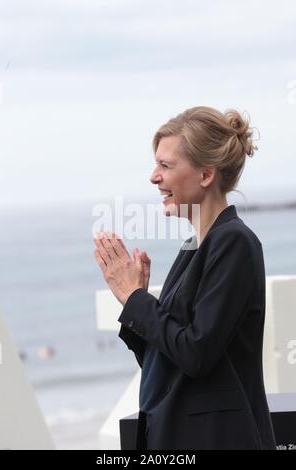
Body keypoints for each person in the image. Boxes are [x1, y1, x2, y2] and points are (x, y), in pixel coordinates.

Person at [94, 106, 277, 450]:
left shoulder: (233, 241)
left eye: (165, 165)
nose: (153, 176)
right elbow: (168, 361)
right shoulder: (195, 246)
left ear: (206, 175)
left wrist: (138, 300)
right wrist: (133, 302)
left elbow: (196, 353)